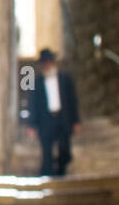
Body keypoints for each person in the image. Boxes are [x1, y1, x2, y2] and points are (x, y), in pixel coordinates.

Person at [26, 48, 80, 176]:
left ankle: (61, 171)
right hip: (46, 120)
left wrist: (76, 120)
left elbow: (72, 101)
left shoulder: (65, 79)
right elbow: (33, 104)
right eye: (44, 62)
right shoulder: (37, 82)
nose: (46, 64)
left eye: (48, 61)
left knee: (64, 149)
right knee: (46, 150)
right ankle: (48, 174)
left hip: (62, 118)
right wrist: (32, 124)